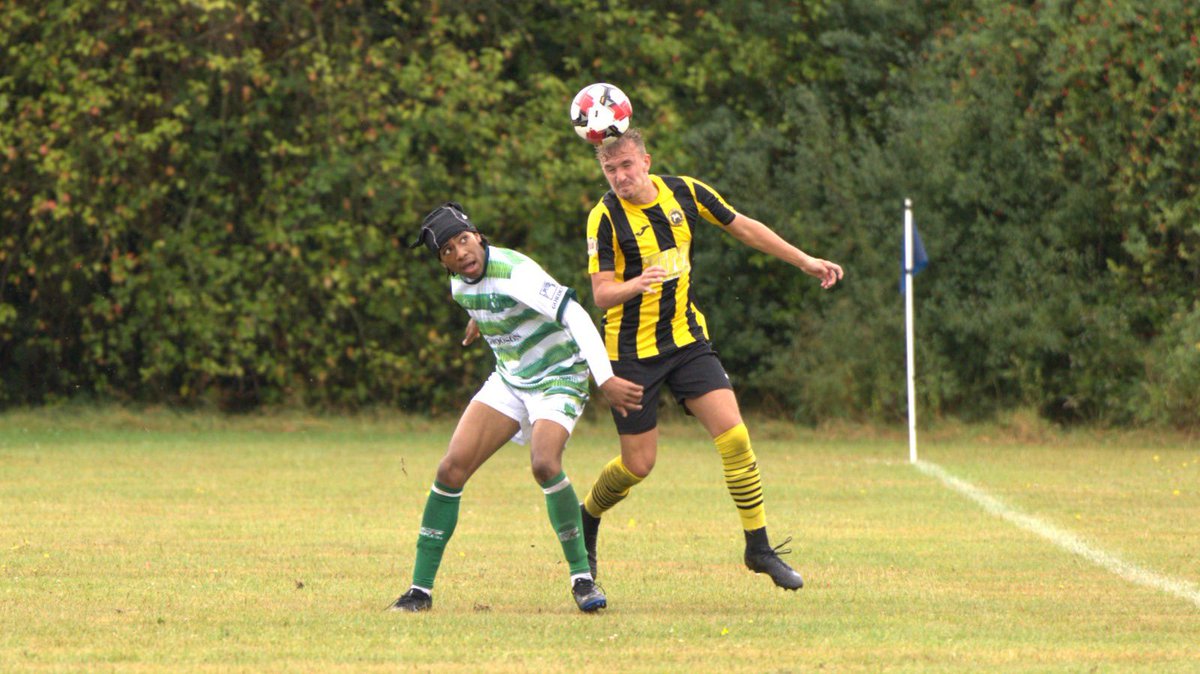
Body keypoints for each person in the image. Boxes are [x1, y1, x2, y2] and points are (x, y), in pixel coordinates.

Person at [579, 128, 844, 591]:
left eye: (626, 166)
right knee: (638, 465)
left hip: (686, 341)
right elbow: (601, 294)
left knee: (735, 436)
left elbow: (742, 225)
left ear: (645, 161)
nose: (619, 176)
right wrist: (634, 286)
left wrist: (804, 260)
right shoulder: (603, 219)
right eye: (610, 169)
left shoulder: (686, 191)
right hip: (630, 353)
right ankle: (587, 516)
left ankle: (758, 547)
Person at [388, 202, 644, 613]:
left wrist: (605, 378)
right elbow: (484, 299)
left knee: (544, 463)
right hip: (511, 379)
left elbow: (575, 315)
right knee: (449, 469)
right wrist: (480, 318)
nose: (461, 253)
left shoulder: (515, 272)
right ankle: (420, 591)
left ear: (479, 236)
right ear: (442, 262)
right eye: (448, 251)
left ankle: (582, 579)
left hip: (559, 376)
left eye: (464, 240)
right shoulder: (460, 285)